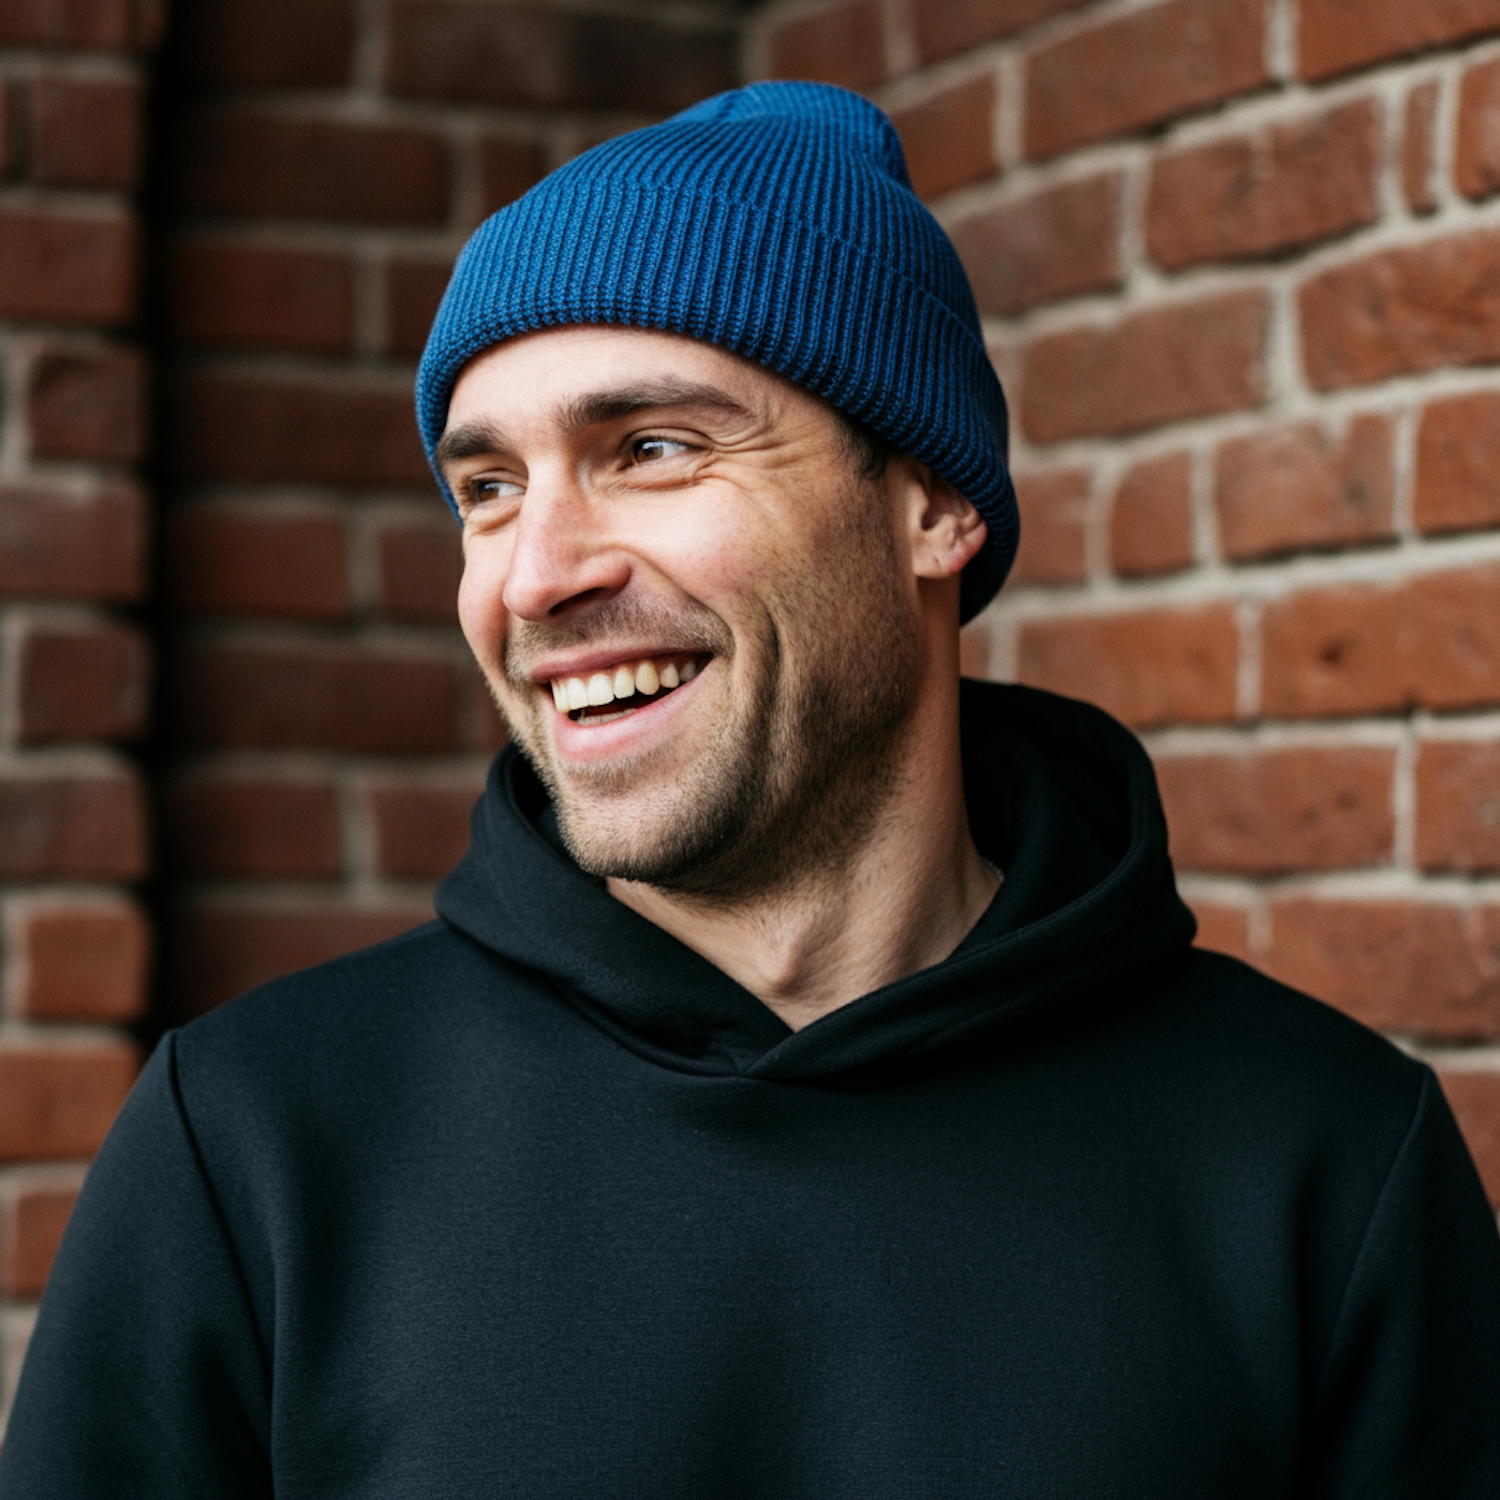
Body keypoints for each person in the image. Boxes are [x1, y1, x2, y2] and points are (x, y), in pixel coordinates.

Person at [2, 81, 1497, 1499]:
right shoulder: (256, 1143)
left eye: (650, 450)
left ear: (933, 504)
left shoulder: (1325, 1164)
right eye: (488, 489)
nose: (536, 575)